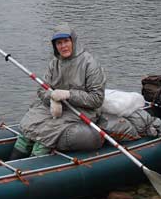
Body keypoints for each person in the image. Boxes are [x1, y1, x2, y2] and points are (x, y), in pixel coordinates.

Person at [9, 24, 107, 160]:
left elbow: (96, 99)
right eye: (59, 43)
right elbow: (42, 89)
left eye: (66, 41)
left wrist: (69, 95)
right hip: (57, 107)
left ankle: (32, 166)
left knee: (46, 132)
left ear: (73, 41)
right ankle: (13, 162)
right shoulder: (54, 63)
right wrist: (52, 98)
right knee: (29, 123)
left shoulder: (90, 64)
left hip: (81, 110)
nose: (63, 46)